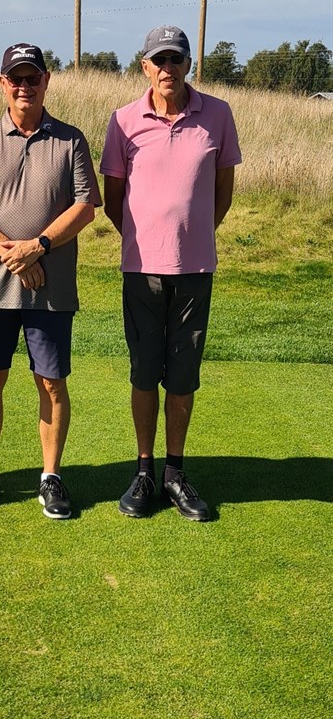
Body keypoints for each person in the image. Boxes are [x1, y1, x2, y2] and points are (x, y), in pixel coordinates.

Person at [0, 43, 101, 519]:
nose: (24, 86)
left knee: (52, 383)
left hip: (50, 290)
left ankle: (51, 477)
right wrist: (15, 254)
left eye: (32, 77)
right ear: (2, 83)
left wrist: (39, 246)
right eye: (15, 78)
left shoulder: (71, 140)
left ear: (46, 81)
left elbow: (85, 207)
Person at [100, 26, 242, 521]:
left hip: (195, 268)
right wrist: (151, 243)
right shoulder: (122, 121)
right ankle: (144, 471)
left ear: (188, 64)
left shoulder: (218, 114)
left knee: (182, 375)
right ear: (144, 67)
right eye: (158, 61)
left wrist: (190, 236)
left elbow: (222, 193)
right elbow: (113, 202)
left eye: (175, 59)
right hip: (141, 270)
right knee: (144, 371)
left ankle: (174, 473)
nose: (167, 69)